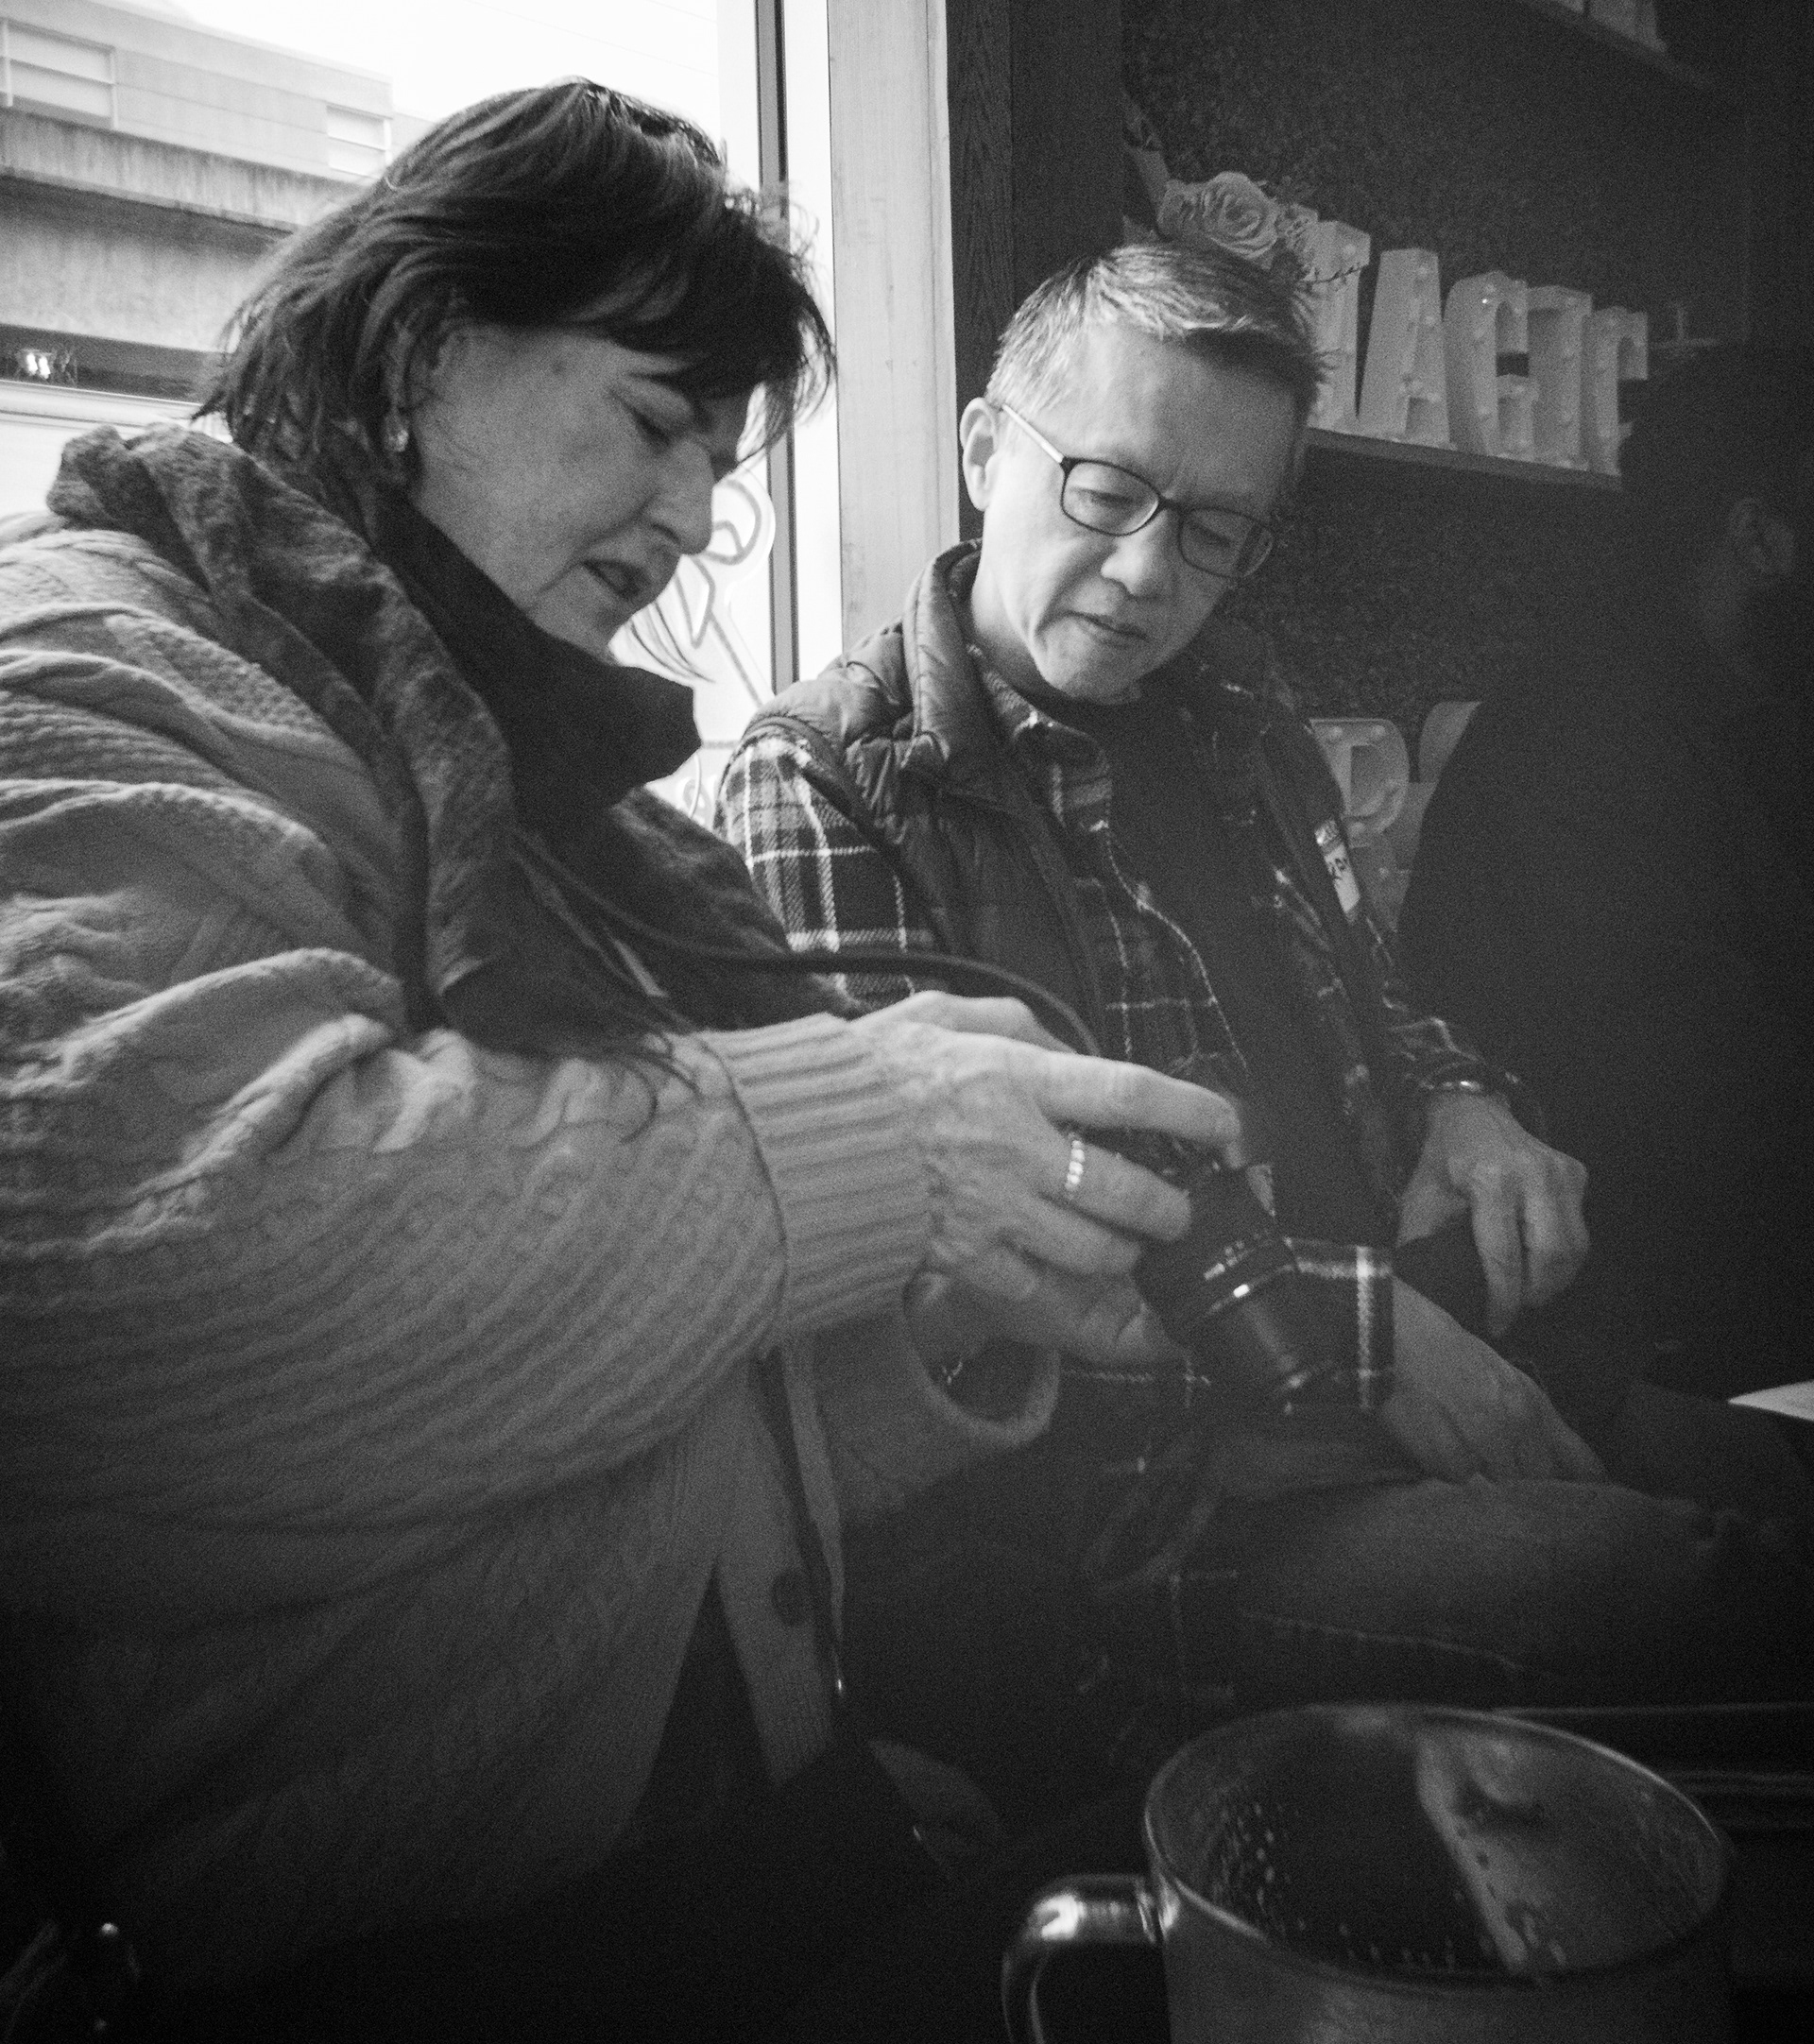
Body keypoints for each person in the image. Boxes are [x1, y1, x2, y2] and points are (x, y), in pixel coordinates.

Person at [0, 89, 1241, 2044]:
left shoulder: (518, 773)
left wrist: (929, 1332)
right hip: (381, 1993)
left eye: (718, 467)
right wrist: (884, 1144)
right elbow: (123, 1300)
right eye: (655, 420)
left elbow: (590, 1408)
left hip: (711, 1864)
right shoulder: (91, 670)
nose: (686, 518)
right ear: (420, 353)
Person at [719, 243, 1813, 1813]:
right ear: (983, 448)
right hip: (1155, 1517)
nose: (1147, 572)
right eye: (1107, 490)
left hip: (1437, 1361)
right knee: (1719, 1592)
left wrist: (1469, 1108)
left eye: (1214, 531)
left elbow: (1387, 1006)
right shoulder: (830, 776)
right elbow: (960, 1244)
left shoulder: (1243, 721)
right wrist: (1370, 1336)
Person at [1401, 342, 1814, 1423]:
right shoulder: (1594, 745)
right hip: (1651, 1353)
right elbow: (1713, 1136)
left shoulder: (1740, 714)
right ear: (1762, 538)